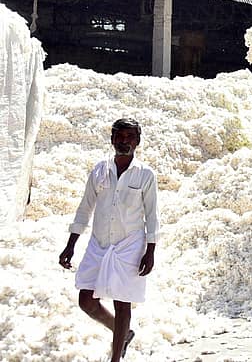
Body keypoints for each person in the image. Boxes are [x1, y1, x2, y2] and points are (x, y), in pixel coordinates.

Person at [59, 118, 159, 361]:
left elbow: (152, 215)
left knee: (122, 304)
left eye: (129, 137)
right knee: (86, 301)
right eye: (120, 136)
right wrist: (70, 244)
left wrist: (150, 251)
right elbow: (85, 209)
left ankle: (115, 358)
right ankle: (122, 333)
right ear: (112, 138)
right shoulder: (99, 170)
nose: (124, 141)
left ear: (137, 141)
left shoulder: (145, 174)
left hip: (130, 246)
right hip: (99, 244)